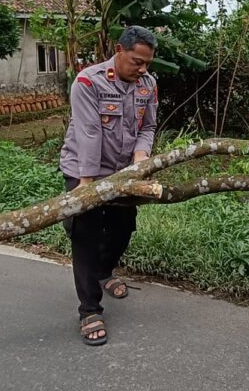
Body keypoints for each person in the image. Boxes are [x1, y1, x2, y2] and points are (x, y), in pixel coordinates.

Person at [59, 26, 158, 346]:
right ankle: (89, 310)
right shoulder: (88, 81)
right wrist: (86, 186)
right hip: (84, 171)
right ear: (118, 49)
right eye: (136, 61)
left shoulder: (148, 85)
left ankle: (104, 272)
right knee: (86, 237)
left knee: (123, 228)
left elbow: (148, 125)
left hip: (123, 173)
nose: (142, 69)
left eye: (147, 63)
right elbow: (89, 133)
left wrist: (141, 159)